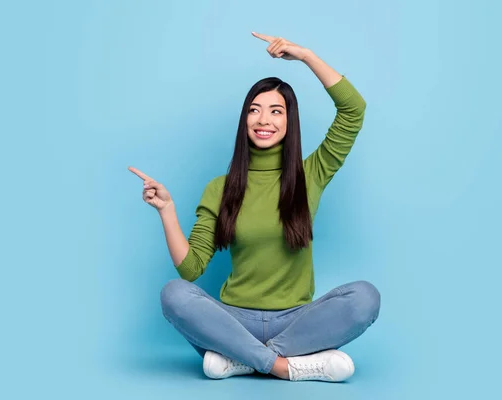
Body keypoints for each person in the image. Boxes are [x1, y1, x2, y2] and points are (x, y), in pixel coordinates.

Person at [128, 32, 380, 382]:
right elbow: (191, 270)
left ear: (289, 122)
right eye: (255, 110)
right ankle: (285, 366)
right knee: (174, 294)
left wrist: (306, 56)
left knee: (364, 297)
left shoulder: (311, 174)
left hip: (296, 320)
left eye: (276, 111)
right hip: (233, 321)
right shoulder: (220, 188)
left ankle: (240, 360)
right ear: (244, 120)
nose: (264, 120)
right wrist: (166, 210)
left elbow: (354, 111)